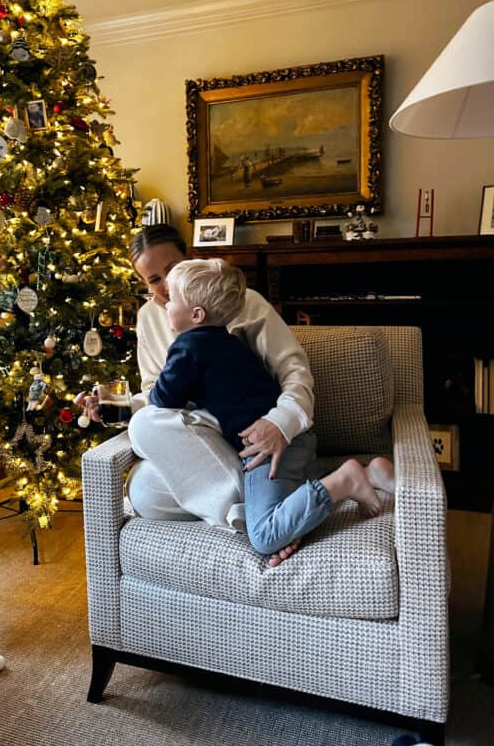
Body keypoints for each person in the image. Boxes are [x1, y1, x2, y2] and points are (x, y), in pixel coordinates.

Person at [76, 224, 391, 565]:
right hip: (203, 435)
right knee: (142, 492)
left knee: (144, 427)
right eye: (153, 280)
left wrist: (280, 425)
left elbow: (295, 374)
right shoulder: (150, 318)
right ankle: (283, 508)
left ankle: (269, 520)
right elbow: (157, 395)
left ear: (191, 260)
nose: (165, 286)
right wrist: (118, 405)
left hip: (254, 434)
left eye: (171, 271)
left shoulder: (240, 303)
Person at [147, 257, 394, 561]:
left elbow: (163, 400)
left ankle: (346, 481)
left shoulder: (186, 348)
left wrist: (155, 391)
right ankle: (370, 473)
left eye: (170, 298)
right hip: (301, 440)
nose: (163, 304)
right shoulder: (233, 342)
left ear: (197, 314)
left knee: (264, 537)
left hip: (267, 448)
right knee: (292, 493)